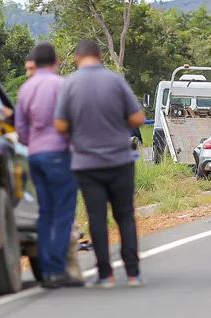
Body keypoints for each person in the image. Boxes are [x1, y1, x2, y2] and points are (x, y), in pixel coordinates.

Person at [54, 39, 145, 288]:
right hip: (120, 159)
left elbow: (60, 124)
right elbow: (138, 117)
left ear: (77, 58)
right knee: (125, 216)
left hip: (87, 163)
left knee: (97, 218)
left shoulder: (69, 84)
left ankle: (106, 274)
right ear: (101, 55)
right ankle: (134, 273)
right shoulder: (115, 81)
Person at [15, 42, 83, 289]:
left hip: (36, 156)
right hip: (61, 154)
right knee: (63, 212)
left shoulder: (25, 89)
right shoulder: (61, 85)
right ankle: (58, 269)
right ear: (55, 61)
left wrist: (32, 143)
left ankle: (47, 271)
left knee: (44, 213)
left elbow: (20, 128)